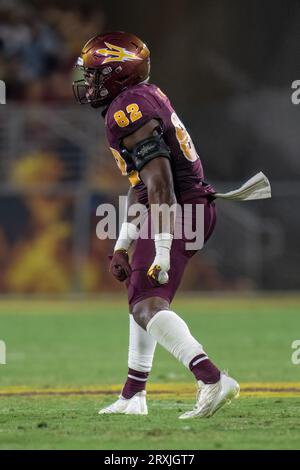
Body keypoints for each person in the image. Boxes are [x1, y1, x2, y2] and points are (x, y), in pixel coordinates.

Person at [73, 31, 270, 419]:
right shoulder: (140, 98)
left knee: (147, 302)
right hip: (186, 207)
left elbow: (161, 186)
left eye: (95, 75)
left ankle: (211, 378)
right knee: (141, 297)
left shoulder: (127, 110)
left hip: (182, 210)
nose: (88, 83)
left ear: (116, 75)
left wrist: (161, 251)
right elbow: (141, 188)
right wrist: (122, 244)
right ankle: (134, 396)